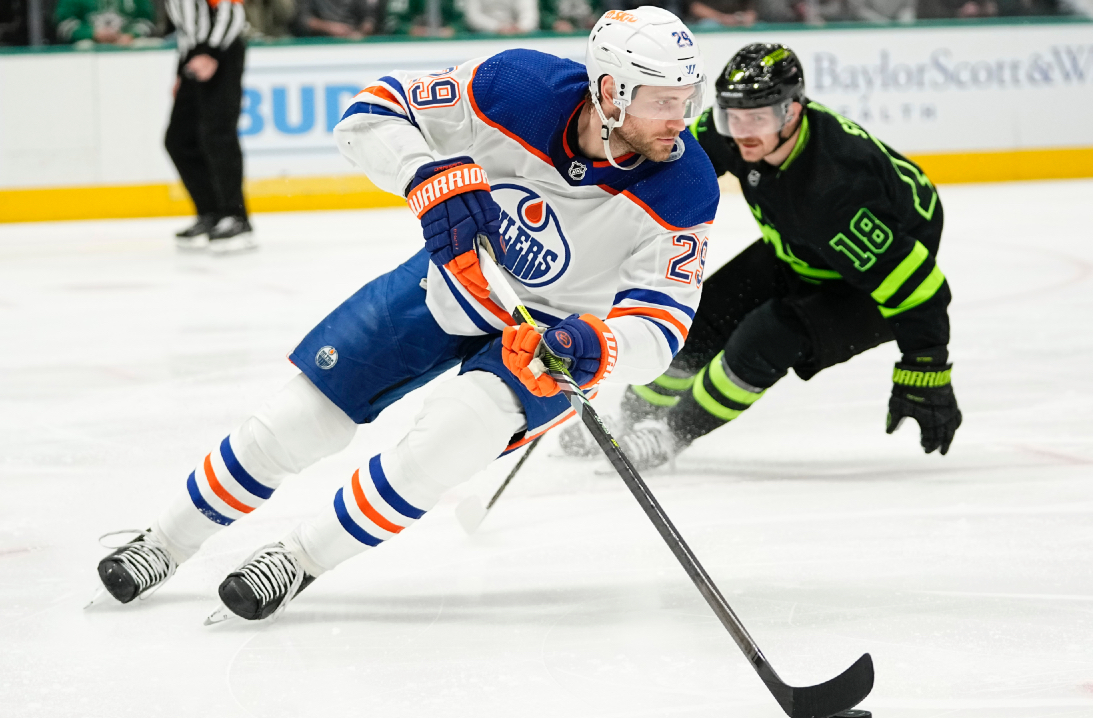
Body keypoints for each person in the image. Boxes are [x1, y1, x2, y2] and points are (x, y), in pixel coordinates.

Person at [90, 7, 718, 623]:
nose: (680, 118)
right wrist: (427, 176)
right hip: (450, 280)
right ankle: (164, 542)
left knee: (447, 443)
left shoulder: (685, 182)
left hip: (546, 343)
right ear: (609, 91)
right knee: (298, 419)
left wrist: (599, 344)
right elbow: (368, 116)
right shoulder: (516, 86)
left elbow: (660, 328)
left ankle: (298, 558)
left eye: (687, 97)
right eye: (662, 100)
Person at [561, 43, 961, 469]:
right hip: (803, 249)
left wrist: (925, 368)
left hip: (861, 287)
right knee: (697, 319)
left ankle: (671, 433)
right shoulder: (733, 132)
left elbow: (921, 288)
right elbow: (666, 174)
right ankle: (633, 418)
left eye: (760, 117)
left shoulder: (837, 187)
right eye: (732, 117)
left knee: (767, 336)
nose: (744, 131)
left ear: (792, 112)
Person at [164, 0, 254, 251]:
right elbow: (187, 28)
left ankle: (236, 217)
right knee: (179, 140)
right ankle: (211, 213)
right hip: (194, 54)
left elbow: (231, 10)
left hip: (221, 50)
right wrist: (181, 71)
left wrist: (211, 52)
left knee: (217, 135)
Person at [55, 0, 154, 46]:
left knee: (152, 45)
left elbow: (147, 21)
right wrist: (92, 34)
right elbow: (64, 24)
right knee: (84, 46)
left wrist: (130, 34)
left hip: (127, 42)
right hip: (90, 44)